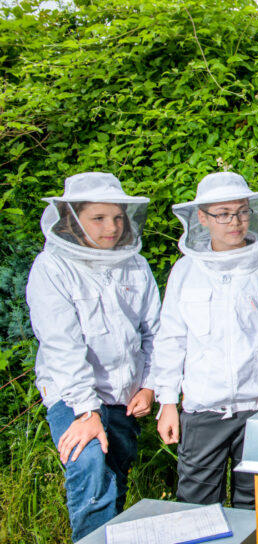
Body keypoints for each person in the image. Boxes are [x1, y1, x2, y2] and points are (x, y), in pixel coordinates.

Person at [153, 172, 258, 509]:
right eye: (223, 214)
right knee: (194, 504)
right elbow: (171, 339)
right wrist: (167, 401)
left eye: (241, 211)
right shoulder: (185, 270)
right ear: (202, 218)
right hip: (203, 409)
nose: (235, 222)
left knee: (257, 505)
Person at [26, 172, 160, 541]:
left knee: (115, 475)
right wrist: (86, 412)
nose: (112, 227)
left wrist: (149, 386)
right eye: (98, 219)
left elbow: (154, 332)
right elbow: (61, 345)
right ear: (73, 219)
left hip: (124, 395)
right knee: (89, 466)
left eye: (117, 217)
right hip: (72, 395)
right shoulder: (52, 268)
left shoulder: (136, 265)